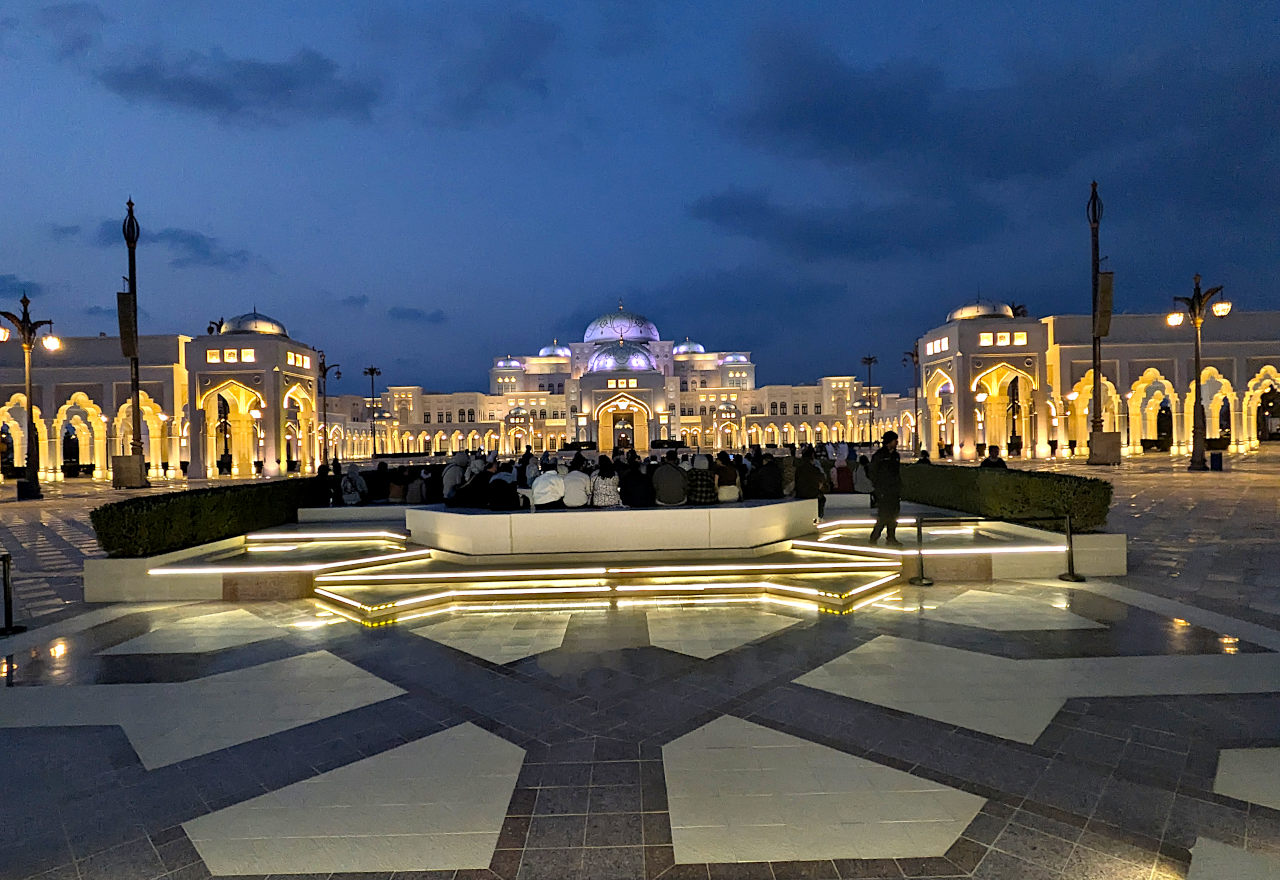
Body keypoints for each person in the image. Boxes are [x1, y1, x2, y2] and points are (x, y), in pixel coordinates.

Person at [868, 431, 902, 546]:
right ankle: (874, 538)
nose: (896, 442)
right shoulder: (880, 456)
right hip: (883, 490)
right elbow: (872, 472)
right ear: (889, 442)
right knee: (883, 515)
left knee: (894, 515)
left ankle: (891, 537)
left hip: (894, 490)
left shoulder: (895, 456)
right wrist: (878, 487)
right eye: (894, 440)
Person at [793, 446, 829, 518]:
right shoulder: (815, 470)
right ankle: (819, 516)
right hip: (812, 494)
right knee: (822, 499)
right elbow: (822, 482)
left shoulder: (799, 469)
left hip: (800, 494)